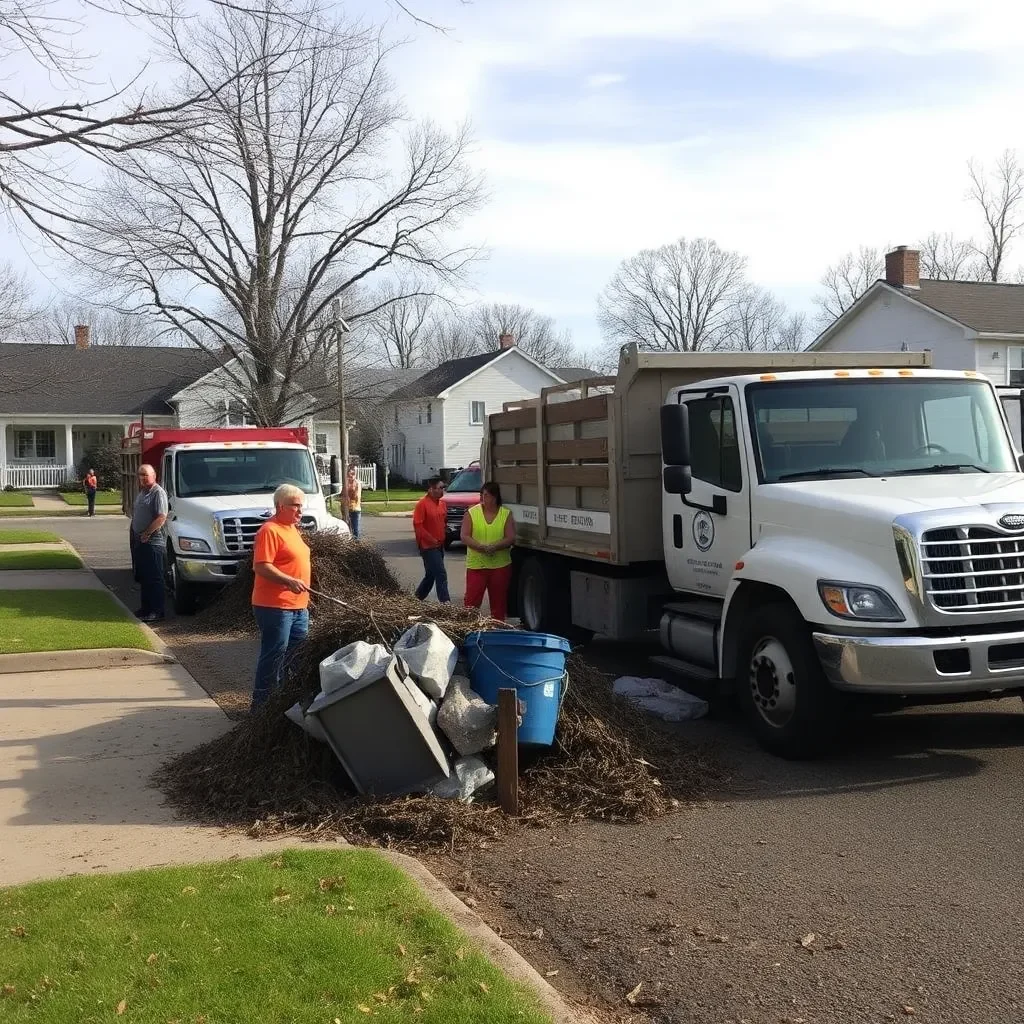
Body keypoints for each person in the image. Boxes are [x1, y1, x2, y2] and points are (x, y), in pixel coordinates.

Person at [250, 483, 312, 711]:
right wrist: (289, 581)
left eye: (301, 506)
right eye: (295, 506)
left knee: (297, 657)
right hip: (275, 607)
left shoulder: (292, 529)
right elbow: (261, 566)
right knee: (274, 656)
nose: (300, 511)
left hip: (299, 607)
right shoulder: (270, 530)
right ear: (280, 506)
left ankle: (287, 703)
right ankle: (261, 709)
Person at [460, 481, 515, 621]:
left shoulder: (505, 514)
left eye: (486, 495)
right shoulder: (472, 513)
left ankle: (497, 630)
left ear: (495, 497)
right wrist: (480, 547)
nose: (483, 498)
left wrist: (495, 546)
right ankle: (469, 629)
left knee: (498, 604)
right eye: (482, 495)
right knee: (471, 603)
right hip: (477, 566)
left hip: (500, 566)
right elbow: (464, 536)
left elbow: (510, 537)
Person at [130, 464, 168, 622]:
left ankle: (157, 611)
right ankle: (145, 608)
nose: (143, 478)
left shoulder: (157, 493)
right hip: (140, 540)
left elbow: (161, 517)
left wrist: (147, 533)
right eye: (140, 475)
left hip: (153, 541)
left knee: (155, 577)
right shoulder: (142, 493)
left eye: (146, 474)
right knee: (144, 576)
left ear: (154, 476)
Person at [413, 476, 449, 604]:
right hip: (428, 547)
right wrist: (431, 539)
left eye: (443, 487)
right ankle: (445, 602)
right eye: (440, 488)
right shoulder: (422, 504)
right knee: (440, 573)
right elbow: (418, 526)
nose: (442, 490)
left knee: (431, 575)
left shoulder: (442, 504)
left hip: (439, 545)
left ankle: (416, 599)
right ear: (431, 489)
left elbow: (443, 522)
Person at [345, 464, 362, 539]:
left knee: (355, 529)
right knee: (348, 529)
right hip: (346, 510)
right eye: (350, 474)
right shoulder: (346, 484)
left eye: (353, 474)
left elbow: (357, 496)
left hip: (355, 509)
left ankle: (357, 545)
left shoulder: (357, 484)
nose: (351, 476)